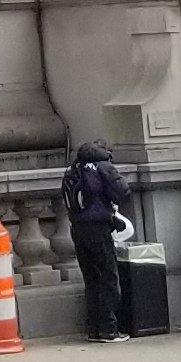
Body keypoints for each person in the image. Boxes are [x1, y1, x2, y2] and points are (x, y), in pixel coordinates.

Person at [59, 141, 136, 341]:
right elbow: (123, 192)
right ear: (105, 151)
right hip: (98, 228)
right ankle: (109, 329)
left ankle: (93, 329)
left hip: (77, 228)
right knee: (108, 277)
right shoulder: (103, 166)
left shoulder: (74, 167)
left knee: (91, 279)